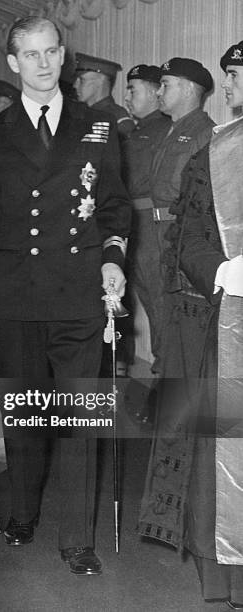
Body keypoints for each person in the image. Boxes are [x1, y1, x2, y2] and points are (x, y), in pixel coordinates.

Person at [0, 17, 131, 575]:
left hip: (80, 290)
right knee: (26, 410)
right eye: (31, 55)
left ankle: (78, 537)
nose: (44, 63)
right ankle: (23, 511)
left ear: (63, 56)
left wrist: (112, 258)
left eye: (52, 51)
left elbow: (115, 207)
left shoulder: (99, 125)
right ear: (13, 63)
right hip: (18, 290)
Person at [139, 41, 243, 608]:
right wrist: (224, 269)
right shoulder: (216, 151)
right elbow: (189, 234)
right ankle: (227, 575)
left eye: (236, 75)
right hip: (227, 318)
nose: (228, 85)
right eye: (225, 75)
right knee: (224, 443)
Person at [148, 57, 215, 372]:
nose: (159, 92)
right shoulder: (171, 130)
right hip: (158, 233)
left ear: (189, 89)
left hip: (181, 236)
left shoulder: (206, 133)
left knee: (176, 321)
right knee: (159, 312)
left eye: (165, 84)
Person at [123, 65, 171, 373]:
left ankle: (164, 380)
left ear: (155, 92)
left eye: (134, 90)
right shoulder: (139, 129)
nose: (127, 97)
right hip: (138, 228)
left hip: (154, 231)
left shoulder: (163, 129)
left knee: (161, 309)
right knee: (152, 308)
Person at [74, 52, 136, 139]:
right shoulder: (78, 114)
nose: (75, 85)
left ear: (100, 82)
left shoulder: (116, 118)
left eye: (82, 80)